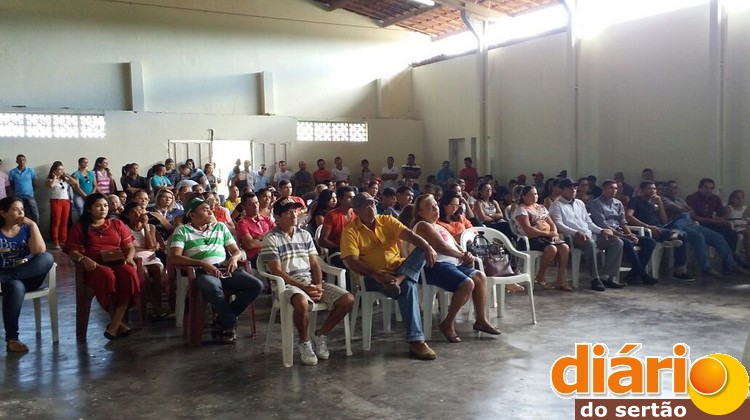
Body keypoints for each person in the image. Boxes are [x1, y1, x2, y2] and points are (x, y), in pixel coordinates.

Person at [340, 192, 439, 361]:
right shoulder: (350, 231)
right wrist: (376, 274)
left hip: (397, 269)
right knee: (408, 286)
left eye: (373, 204)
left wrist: (427, 246)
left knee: (421, 251)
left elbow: (410, 236)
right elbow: (352, 262)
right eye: (366, 206)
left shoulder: (387, 220)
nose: (371, 208)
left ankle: (398, 280)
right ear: (356, 211)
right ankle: (416, 341)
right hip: (371, 276)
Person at [260, 197, 354, 365]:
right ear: (278, 217)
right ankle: (305, 342)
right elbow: (277, 271)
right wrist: (304, 288)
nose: (294, 214)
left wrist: (318, 285)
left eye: (295, 211)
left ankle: (321, 334)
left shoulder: (304, 234)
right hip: (286, 285)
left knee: (347, 299)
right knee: (301, 302)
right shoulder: (271, 238)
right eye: (288, 212)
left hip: (309, 281)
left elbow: (315, 263)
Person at [169, 196, 263, 344]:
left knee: (256, 285)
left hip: (226, 268)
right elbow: (175, 257)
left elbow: (236, 251)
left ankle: (222, 319)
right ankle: (230, 324)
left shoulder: (220, 227)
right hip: (202, 272)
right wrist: (202, 264)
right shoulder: (182, 230)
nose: (210, 212)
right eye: (205, 210)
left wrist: (234, 258)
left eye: (209, 209)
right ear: (192, 214)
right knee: (214, 288)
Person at [411, 194, 501, 342]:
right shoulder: (422, 225)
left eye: (435, 205)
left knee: (480, 276)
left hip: (453, 265)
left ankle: (481, 320)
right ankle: (448, 323)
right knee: (467, 283)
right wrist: (462, 255)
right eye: (430, 207)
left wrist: (466, 255)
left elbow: (455, 246)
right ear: (420, 212)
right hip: (434, 266)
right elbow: (442, 247)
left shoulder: (439, 226)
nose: (435, 208)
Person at [64, 193, 141, 340]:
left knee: (129, 274)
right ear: (89, 209)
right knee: (107, 275)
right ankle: (118, 323)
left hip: (117, 261)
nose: (103, 209)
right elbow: (72, 251)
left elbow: (129, 246)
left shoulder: (116, 224)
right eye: (98, 206)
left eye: (105, 206)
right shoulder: (80, 227)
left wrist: (130, 258)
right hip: (95, 266)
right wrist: (83, 258)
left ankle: (115, 324)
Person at [0, 196, 55, 352]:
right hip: (9, 283)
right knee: (16, 286)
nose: (20, 213)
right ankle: (12, 339)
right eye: (15, 209)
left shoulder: (26, 229)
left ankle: (5, 278)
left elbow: (39, 251)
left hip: (27, 275)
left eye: (22, 209)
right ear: (3, 213)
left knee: (47, 258)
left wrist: (32, 224)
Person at [549, 178, 624, 291]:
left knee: (617, 242)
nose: (573, 191)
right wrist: (575, 233)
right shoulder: (556, 205)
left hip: (589, 234)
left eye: (575, 188)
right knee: (590, 243)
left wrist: (601, 231)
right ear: (562, 190)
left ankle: (610, 277)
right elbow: (559, 225)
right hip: (572, 237)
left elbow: (589, 223)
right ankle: (595, 278)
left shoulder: (579, 203)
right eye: (570, 189)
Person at [590, 180, 658, 285]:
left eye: (616, 188)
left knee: (650, 242)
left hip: (620, 232)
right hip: (606, 233)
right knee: (625, 242)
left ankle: (633, 274)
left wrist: (630, 234)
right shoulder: (596, 203)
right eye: (611, 188)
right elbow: (603, 225)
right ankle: (642, 274)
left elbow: (623, 222)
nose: (614, 190)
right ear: (604, 189)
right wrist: (624, 236)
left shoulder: (618, 203)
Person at [625, 181, 694, 280]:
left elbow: (664, 221)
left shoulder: (653, 203)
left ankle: (675, 233)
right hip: (647, 230)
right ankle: (679, 270)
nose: (653, 191)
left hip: (660, 228)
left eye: (654, 189)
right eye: (649, 188)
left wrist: (660, 204)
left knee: (684, 215)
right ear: (642, 190)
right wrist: (648, 227)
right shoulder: (635, 200)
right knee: (682, 235)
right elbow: (628, 216)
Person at [513, 186, 572, 290]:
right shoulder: (521, 210)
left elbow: (552, 223)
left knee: (564, 248)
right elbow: (528, 229)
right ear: (523, 197)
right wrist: (548, 234)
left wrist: (554, 233)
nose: (534, 196)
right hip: (530, 239)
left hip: (546, 236)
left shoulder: (540, 207)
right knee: (552, 249)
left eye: (535, 194)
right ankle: (540, 276)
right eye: (531, 195)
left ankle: (561, 279)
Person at [119, 201, 167, 321]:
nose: (138, 215)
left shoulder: (150, 227)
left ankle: (158, 305)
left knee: (157, 269)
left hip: (150, 258)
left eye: (140, 212)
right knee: (143, 272)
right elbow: (129, 248)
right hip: (135, 259)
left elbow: (150, 246)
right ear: (127, 215)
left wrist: (145, 226)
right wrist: (146, 248)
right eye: (134, 213)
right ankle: (156, 306)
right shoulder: (124, 228)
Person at [686, 178, 739, 254]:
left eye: (711, 188)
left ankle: (731, 256)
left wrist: (724, 218)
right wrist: (712, 220)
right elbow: (692, 216)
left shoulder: (715, 198)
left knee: (732, 233)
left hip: (711, 224)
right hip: (698, 225)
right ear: (700, 188)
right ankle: (731, 258)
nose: (709, 190)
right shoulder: (692, 198)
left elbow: (721, 212)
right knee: (719, 236)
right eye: (706, 187)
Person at [236, 192, 275, 268]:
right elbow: (250, 244)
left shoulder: (267, 220)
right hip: (256, 256)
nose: (255, 206)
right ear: (243, 206)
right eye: (251, 204)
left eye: (256, 203)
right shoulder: (242, 223)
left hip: (273, 252)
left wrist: (260, 238)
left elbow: (278, 237)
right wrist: (270, 240)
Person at [45, 161, 75, 249]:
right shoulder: (50, 180)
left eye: (62, 169)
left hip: (66, 201)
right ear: (54, 170)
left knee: (64, 222)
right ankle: (55, 241)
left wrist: (67, 175)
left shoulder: (65, 180)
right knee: (56, 222)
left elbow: (74, 183)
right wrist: (55, 177)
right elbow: (51, 186)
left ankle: (63, 240)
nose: (61, 171)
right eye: (59, 169)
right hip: (56, 201)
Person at [8, 154, 39, 223]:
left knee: (35, 213)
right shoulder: (12, 172)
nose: (22, 161)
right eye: (20, 160)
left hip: (30, 195)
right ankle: (21, 227)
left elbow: (34, 183)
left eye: (23, 160)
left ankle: (36, 227)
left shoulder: (30, 171)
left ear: (25, 161)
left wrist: (29, 190)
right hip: (18, 196)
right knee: (20, 213)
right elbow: (12, 184)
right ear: (17, 161)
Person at [727, 190, 750, 261]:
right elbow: (726, 221)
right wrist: (738, 225)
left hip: (743, 226)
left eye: (742, 198)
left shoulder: (745, 208)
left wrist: (746, 224)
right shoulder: (729, 208)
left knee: (747, 231)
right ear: (732, 199)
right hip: (733, 227)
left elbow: (746, 219)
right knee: (747, 233)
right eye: (737, 198)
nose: (740, 200)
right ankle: (748, 255)